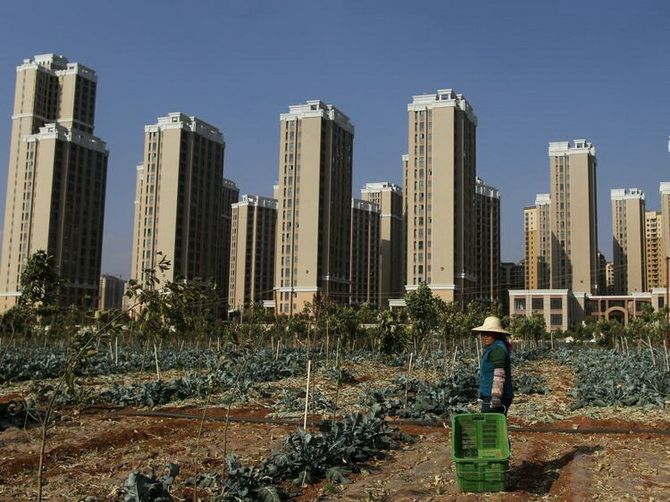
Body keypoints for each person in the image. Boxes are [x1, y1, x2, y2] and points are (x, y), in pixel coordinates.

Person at [472, 316, 514, 415]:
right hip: (492, 395)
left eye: (488, 334)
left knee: (489, 426)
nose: (484, 337)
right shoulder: (493, 348)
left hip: (496, 396)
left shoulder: (497, 349)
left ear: (496, 335)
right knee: (492, 426)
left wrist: (496, 397)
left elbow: (499, 374)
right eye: (483, 334)